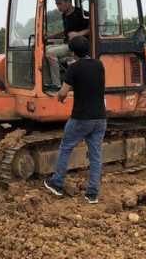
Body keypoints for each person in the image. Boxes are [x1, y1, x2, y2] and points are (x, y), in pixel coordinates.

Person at [43, 36, 107, 204]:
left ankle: (56, 184)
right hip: (100, 117)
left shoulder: (74, 68)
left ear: (72, 52)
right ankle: (92, 194)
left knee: (66, 148)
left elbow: (63, 93)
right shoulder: (99, 65)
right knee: (95, 155)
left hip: (81, 118)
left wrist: (60, 97)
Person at [46, 0, 90, 89]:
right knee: (44, 49)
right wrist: (50, 37)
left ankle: (56, 84)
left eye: (59, 4)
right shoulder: (64, 15)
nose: (58, 7)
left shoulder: (81, 13)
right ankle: (53, 78)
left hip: (76, 46)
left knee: (50, 53)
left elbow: (93, 28)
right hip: (67, 44)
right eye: (57, 4)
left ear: (68, 2)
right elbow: (66, 32)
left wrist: (78, 34)